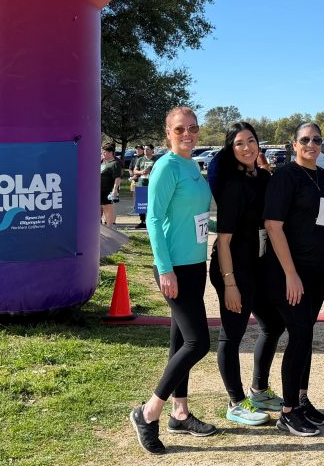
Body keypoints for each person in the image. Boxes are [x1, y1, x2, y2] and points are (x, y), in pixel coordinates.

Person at [129, 107, 217, 455]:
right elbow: (153, 219)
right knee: (198, 343)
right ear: (168, 132)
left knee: (179, 338)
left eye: (193, 129)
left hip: (195, 265)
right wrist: (164, 268)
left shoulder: (192, 166)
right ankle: (148, 412)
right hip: (175, 268)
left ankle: (180, 413)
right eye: (180, 129)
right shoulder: (166, 166)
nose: (187, 135)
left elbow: (194, 217)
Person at [264, 122, 324, 437]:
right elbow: (273, 225)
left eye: (316, 140)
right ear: (294, 144)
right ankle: (287, 412)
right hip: (289, 271)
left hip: (320, 267)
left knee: (306, 334)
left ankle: (301, 400)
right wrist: (290, 274)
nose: (311, 144)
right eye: (305, 139)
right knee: (298, 335)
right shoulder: (285, 176)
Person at [208, 122, 286, 426]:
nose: (247, 147)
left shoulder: (262, 178)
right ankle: (235, 402)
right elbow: (223, 240)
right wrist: (230, 284)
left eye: (251, 141)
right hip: (233, 268)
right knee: (232, 334)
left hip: (258, 266)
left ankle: (259, 391)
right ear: (231, 149)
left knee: (274, 324)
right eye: (239, 143)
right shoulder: (232, 185)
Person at [132, 145, 156, 228]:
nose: (145, 150)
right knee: (141, 204)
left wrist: (151, 170)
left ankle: (151, 221)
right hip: (141, 184)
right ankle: (142, 221)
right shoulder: (140, 159)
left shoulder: (156, 160)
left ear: (153, 150)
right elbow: (135, 170)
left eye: (148, 149)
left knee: (152, 204)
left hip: (153, 185)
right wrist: (141, 172)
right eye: (145, 149)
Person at [99, 144, 122, 229]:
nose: (103, 153)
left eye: (104, 152)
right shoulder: (102, 162)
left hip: (108, 190)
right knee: (99, 209)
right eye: (102, 152)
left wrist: (115, 190)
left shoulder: (115, 163)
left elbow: (117, 178)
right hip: (99, 190)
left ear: (110, 152)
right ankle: (100, 230)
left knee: (108, 210)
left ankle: (109, 229)